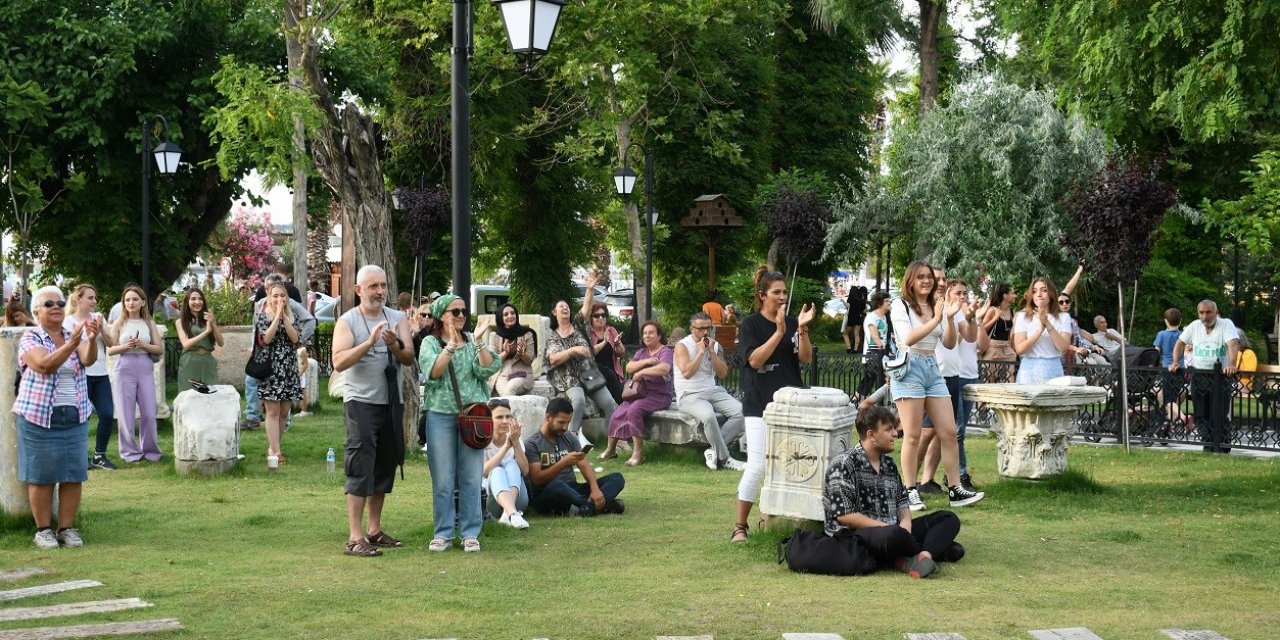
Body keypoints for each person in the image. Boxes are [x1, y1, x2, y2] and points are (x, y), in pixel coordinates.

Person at [822, 406, 965, 579]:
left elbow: (902, 502)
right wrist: (889, 528)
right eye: (888, 429)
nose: (896, 434)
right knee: (895, 536)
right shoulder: (844, 463)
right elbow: (845, 516)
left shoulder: (889, 464)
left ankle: (924, 556)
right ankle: (927, 550)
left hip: (894, 531)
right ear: (871, 435)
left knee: (948, 518)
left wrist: (905, 523)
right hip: (856, 536)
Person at [331, 265, 415, 557]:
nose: (380, 292)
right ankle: (355, 538)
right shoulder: (347, 321)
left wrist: (394, 345)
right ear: (358, 291)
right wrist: (368, 343)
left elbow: (409, 357)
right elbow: (339, 362)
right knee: (360, 463)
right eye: (373, 286)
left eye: (383, 285)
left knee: (384, 464)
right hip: (361, 402)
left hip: (391, 402)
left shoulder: (397, 317)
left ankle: (374, 530)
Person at [888, 261, 985, 513]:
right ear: (910, 280)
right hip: (910, 367)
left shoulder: (936, 305)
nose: (926, 281)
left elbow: (951, 343)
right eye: (920, 277)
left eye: (929, 277)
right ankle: (909, 490)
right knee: (913, 434)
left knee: (949, 431)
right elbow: (909, 338)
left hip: (932, 368)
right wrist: (937, 317)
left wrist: (949, 319)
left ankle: (955, 489)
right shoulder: (900, 305)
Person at [731, 266, 815, 543]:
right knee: (757, 466)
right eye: (776, 292)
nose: (782, 297)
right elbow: (755, 361)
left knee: (791, 463)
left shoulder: (792, 322)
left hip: (792, 403)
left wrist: (800, 329)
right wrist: (778, 332)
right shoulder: (751, 325)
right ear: (762, 295)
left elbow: (805, 359)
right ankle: (740, 527)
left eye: (784, 292)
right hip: (760, 405)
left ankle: (777, 519)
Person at [14, 286, 101, 548]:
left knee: (74, 474)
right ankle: (43, 530)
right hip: (38, 416)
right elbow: (43, 365)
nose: (56, 307)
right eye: (48, 303)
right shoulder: (32, 337)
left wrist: (92, 339)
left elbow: (87, 359)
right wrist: (73, 344)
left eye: (60, 303)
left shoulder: (70, 334)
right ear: (36, 311)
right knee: (42, 475)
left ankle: (66, 528)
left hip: (74, 414)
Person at [420, 293, 500, 553]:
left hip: (473, 416)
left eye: (464, 311)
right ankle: (443, 533)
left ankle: (470, 533)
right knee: (443, 479)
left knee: (470, 477)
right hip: (440, 416)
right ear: (441, 316)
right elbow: (434, 372)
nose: (462, 316)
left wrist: (478, 342)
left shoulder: (471, 343)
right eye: (455, 312)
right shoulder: (430, 343)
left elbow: (487, 369)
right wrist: (451, 347)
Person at [919, 280, 982, 493]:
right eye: (958, 292)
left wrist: (971, 316)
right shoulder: (929, 309)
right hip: (934, 376)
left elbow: (971, 336)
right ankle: (908, 484)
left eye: (965, 292)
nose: (962, 296)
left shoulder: (957, 313)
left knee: (944, 433)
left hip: (952, 377)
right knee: (926, 432)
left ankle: (927, 481)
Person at [238, 273, 315, 431]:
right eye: (267, 288)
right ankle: (253, 417)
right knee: (251, 381)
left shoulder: (290, 304)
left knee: (282, 391)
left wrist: (299, 341)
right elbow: (257, 328)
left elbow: (310, 321)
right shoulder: (260, 303)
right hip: (262, 353)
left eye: (274, 289)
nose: (271, 292)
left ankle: (283, 422)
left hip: (282, 357)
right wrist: (254, 347)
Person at [525, 397, 626, 517]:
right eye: (561, 422)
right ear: (548, 418)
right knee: (557, 485)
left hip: (573, 489)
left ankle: (586, 507)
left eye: (568, 422)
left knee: (617, 478)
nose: (565, 427)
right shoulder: (532, 444)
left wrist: (595, 489)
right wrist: (563, 462)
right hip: (548, 493)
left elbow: (584, 465)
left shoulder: (568, 437)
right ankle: (598, 506)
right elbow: (536, 479)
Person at [675, 311, 745, 471]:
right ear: (691, 328)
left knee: (741, 411)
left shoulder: (716, 345)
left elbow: (722, 373)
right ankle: (726, 459)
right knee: (708, 415)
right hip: (689, 395)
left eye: (708, 328)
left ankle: (713, 451)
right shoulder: (682, 346)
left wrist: (711, 352)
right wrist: (700, 352)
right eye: (700, 328)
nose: (705, 332)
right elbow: (686, 373)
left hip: (712, 391)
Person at [600, 321, 674, 466]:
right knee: (618, 412)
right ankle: (611, 449)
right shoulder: (642, 352)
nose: (647, 335)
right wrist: (646, 363)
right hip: (641, 393)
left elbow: (664, 369)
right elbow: (629, 367)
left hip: (659, 395)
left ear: (659, 336)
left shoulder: (665, 351)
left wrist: (641, 372)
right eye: (645, 333)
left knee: (634, 410)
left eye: (651, 332)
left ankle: (638, 453)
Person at [544, 294, 617, 441]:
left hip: (588, 373)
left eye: (567, 306)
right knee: (578, 401)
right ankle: (571, 438)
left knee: (609, 402)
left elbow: (587, 307)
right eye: (561, 306)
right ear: (554, 312)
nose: (565, 308)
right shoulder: (553, 335)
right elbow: (554, 359)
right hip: (569, 377)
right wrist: (573, 350)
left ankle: (614, 440)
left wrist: (590, 288)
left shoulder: (577, 325)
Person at [1171, 300, 1239, 453]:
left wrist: (1232, 364)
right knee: (1201, 414)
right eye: (1201, 312)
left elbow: (1233, 344)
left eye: (1208, 312)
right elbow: (1179, 343)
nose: (1205, 316)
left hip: (1220, 376)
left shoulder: (1226, 324)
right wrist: (1175, 362)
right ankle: (1208, 446)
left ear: (1216, 312)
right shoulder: (1194, 326)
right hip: (1199, 375)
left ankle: (1222, 446)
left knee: (1219, 413)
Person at [107, 285, 163, 463]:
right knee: (126, 412)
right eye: (127, 300)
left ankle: (150, 450)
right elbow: (111, 349)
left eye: (135, 299)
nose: (131, 303)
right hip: (125, 367)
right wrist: (126, 346)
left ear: (143, 302)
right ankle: (130, 452)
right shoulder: (119, 323)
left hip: (145, 366)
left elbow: (159, 349)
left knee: (148, 412)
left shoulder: (149, 323)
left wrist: (143, 345)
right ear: (124, 303)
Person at [65, 284, 117, 471]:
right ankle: (81, 455)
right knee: (82, 416)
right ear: (78, 299)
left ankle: (99, 455)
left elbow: (112, 343)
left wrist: (101, 328)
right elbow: (75, 351)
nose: (94, 301)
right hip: (80, 375)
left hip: (101, 374)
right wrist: (90, 336)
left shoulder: (97, 318)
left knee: (106, 413)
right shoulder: (68, 323)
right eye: (90, 298)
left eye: (95, 298)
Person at [257, 281, 303, 464]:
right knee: (273, 410)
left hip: (288, 367)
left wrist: (284, 317)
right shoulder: (263, 316)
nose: (279, 298)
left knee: (284, 410)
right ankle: (275, 452)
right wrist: (276, 317)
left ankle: (274, 446)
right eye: (275, 295)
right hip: (271, 368)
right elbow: (266, 339)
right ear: (269, 298)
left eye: (282, 295)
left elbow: (295, 339)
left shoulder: (292, 316)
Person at [1011, 278, 1073, 384]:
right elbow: (1020, 349)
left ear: (1051, 293)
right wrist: (1039, 331)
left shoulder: (1064, 317)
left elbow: (1063, 348)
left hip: (1053, 368)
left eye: (1043, 290)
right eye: (1034, 291)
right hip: (1029, 369)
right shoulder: (1022, 316)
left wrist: (1047, 323)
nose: (1039, 294)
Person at [483, 398, 531, 529]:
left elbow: (525, 471)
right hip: (490, 500)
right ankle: (513, 514)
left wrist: (515, 443)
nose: (505, 421)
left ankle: (508, 514)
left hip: (518, 501)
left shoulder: (516, 439)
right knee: (497, 470)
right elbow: (485, 471)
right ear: (489, 420)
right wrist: (505, 447)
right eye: (499, 417)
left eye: (508, 417)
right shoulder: (482, 439)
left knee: (512, 464)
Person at [582, 277, 625, 403]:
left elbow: (621, 354)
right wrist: (604, 343)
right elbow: (588, 354)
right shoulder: (587, 332)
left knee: (611, 375)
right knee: (608, 374)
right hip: (591, 373)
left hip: (611, 373)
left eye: (603, 315)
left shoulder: (611, 330)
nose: (600, 318)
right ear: (591, 318)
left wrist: (617, 345)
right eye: (596, 316)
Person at [480, 303, 537, 396]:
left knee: (509, 390)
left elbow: (529, 360)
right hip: (502, 375)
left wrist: (522, 353)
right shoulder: (494, 336)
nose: (510, 316)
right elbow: (492, 362)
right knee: (507, 395)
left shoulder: (527, 334)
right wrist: (505, 353)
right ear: (500, 318)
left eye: (512, 313)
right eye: (506, 314)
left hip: (521, 374)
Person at [175, 287, 223, 393]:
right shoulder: (181, 322)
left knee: (211, 397)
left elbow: (221, 343)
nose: (197, 302)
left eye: (200, 299)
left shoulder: (208, 319)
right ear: (187, 302)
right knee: (189, 398)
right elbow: (186, 343)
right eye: (193, 299)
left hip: (208, 362)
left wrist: (213, 324)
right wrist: (206, 332)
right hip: (189, 362)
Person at [1154, 308, 1189, 428]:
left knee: (1167, 399)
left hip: (1167, 369)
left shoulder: (1161, 334)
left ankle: (1183, 417)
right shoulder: (1182, 335)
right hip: (1181, 369)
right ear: (1180, 321)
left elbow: (1156, 352)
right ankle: (1171, 424)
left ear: (1165, 321)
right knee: (1173, 397)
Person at [858, 291, 891, 398]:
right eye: (886, 301)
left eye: (889, 300)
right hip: (872, 353)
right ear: (879, 303)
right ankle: (863, 401)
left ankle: (858, 399)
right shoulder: (872, 317)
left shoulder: (884, 317)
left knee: (870, 381)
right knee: (874, 380)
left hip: (881, 354)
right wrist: (883, 351)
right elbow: (875, 337)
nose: (889, 302)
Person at [980, 282, 1018, 369]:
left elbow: (1011, 333)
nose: (1015, 296)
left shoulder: (1012, 312)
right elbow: (982, 329)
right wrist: (995, 318)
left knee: (1010, 379)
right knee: (990, 380)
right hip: (993, 348)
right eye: (1012, 293)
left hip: (1007, 349)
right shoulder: (992, 310)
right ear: (1005, 296)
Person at [844, 285, 868, 354]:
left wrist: (842, 301)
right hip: (858, 318)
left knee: (845, 333)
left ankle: (849, 348)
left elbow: (847, 306)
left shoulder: (850, 299)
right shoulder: (861, 301)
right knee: (857, 334)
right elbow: (864, 310)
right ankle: (855, 349)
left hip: (851, 318)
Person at [294, 347, 312, 417]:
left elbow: (305, 364)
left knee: (302, 391)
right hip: (292, 372)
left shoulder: (302, 350)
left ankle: (304, 411)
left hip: (299, 373)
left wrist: (299, 374)